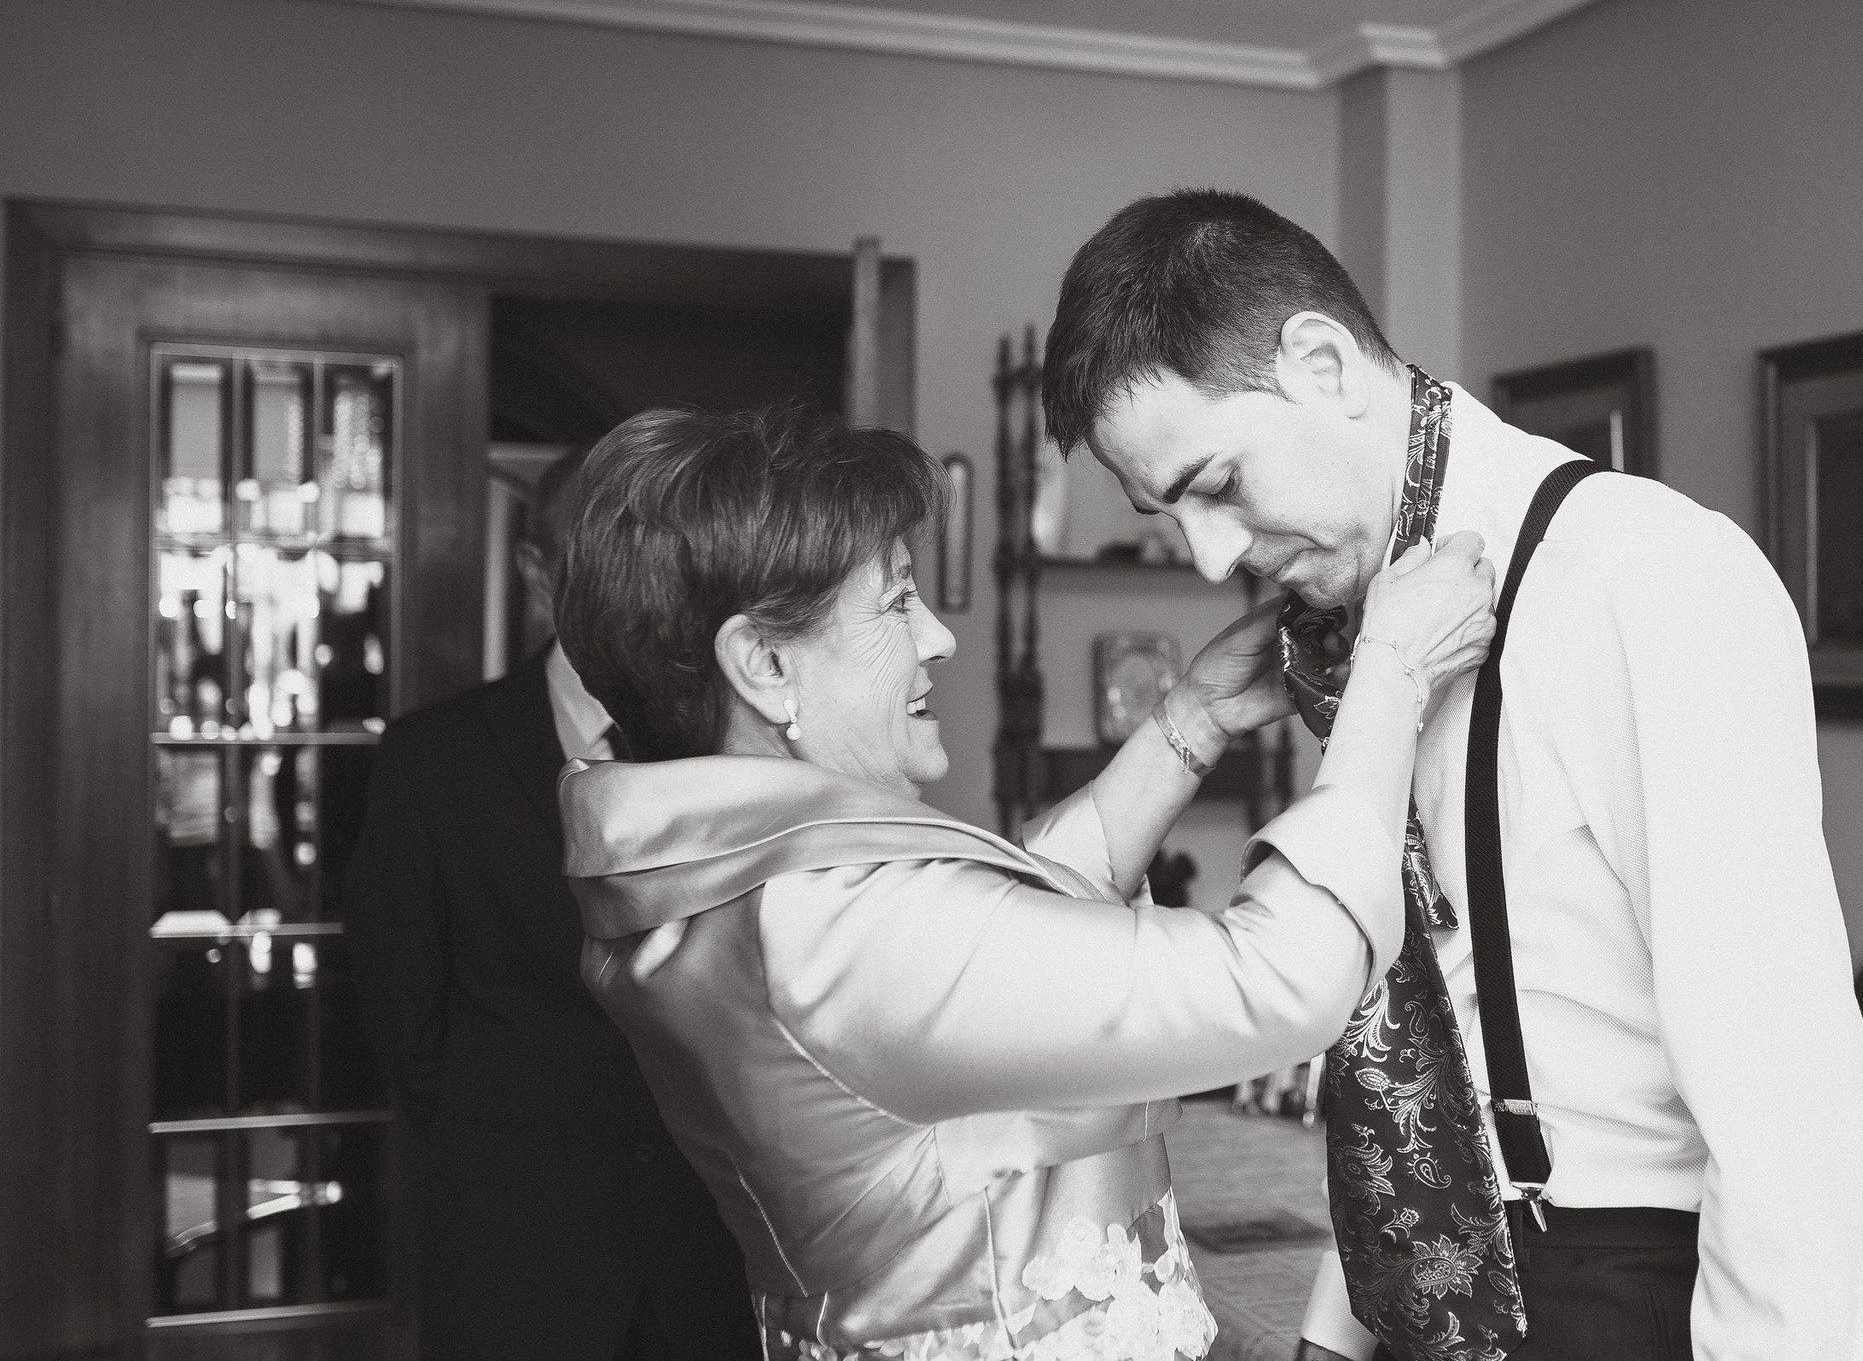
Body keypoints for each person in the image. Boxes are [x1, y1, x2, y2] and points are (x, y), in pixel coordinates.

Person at [1041, 190, 1863, 1361]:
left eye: (1216, 483)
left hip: (1620, 1291)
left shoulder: (1639, 573)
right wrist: (1336, 1332)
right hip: (1436, 1293)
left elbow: (1782, 1077)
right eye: (1166, 513)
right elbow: (1432, 1014)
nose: (1210, 556)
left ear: (1324, 363)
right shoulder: (1366, 639)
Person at [549, 402, 1497, 1361]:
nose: (937, 638)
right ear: (764, 663)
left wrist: (1193, 719)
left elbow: (1013, 919)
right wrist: (1391, 674)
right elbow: (1277, 980)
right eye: (894, 601)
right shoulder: (826, 926)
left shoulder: (726, 884)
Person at [343, 448, 758, 1361]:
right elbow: (402, 1015)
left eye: (652, 553)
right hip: (520, 1251)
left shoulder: (726, 750)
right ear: (539, 571)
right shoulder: (434, 762)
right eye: (598, 551)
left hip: (709, 1251)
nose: (635, 581)